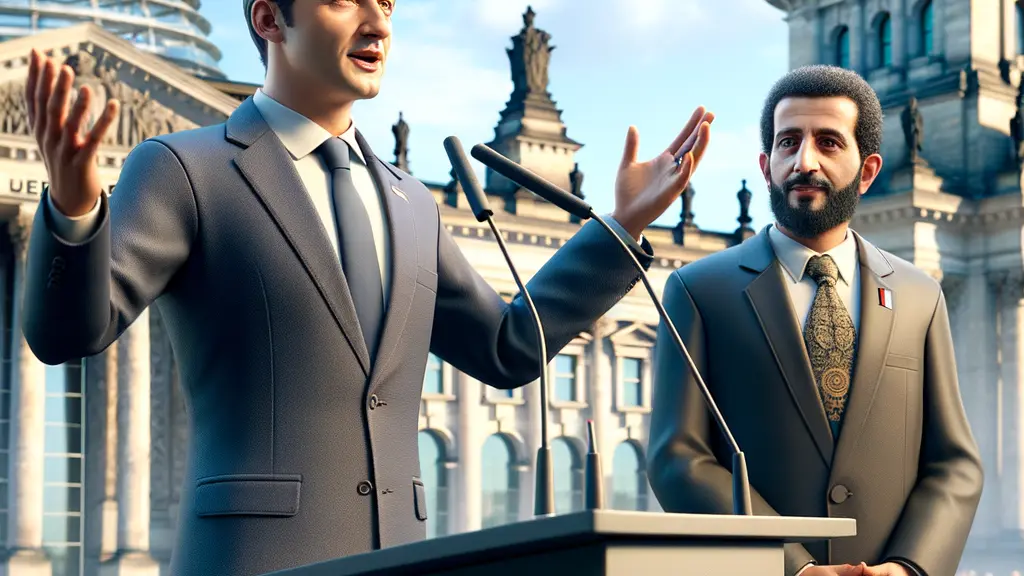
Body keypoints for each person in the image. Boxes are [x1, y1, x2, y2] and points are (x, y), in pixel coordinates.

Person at [21, 1, 713, 575]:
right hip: (253, 560)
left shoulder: (412, 202)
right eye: (344, 0)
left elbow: (508, 350)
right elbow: (67, 334)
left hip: (402, 558)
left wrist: (621, 227)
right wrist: (75, 213)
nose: (378, 22)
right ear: (269, 19)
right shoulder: (184, 168)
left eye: (386, 3)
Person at [646, 65, 982, 576]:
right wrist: (792, 568)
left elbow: (953, 462)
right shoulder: (698, 291)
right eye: (788, 143)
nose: (804, 162)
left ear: (867, 171)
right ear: (766, 166)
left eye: (828, 142)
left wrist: (909, 567)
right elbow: (678, 458)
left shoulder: (921, 296)